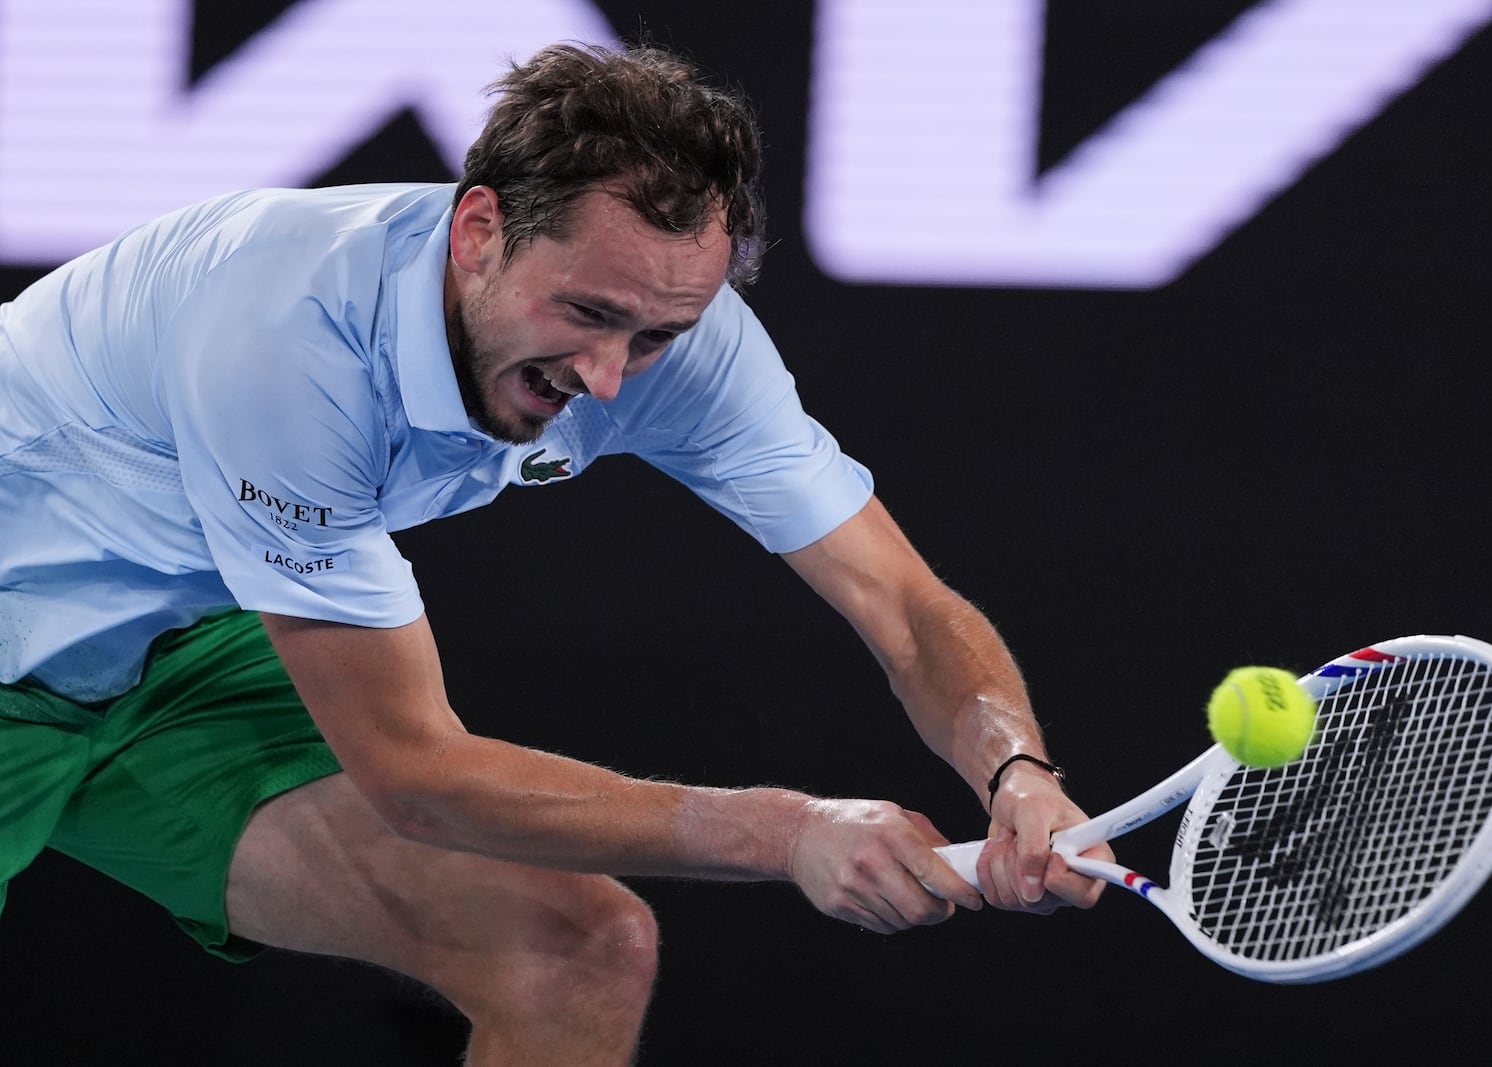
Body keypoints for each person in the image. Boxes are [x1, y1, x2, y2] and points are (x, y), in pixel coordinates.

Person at [0, 41, 1111, 1064]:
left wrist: (1015, 766)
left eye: (656, 333)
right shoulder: (288, 337)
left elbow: (905, 605)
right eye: (586, 311)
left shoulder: (677, 334)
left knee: (574, 951)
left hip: (169, 649)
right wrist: (789, 830)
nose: (611, 376)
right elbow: (419, 777)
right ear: (479, 230)